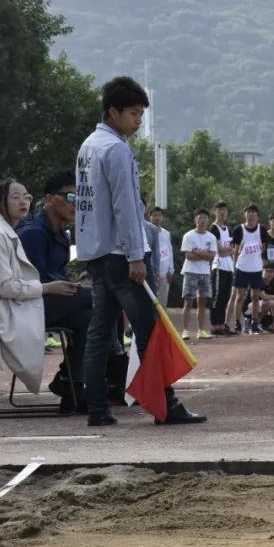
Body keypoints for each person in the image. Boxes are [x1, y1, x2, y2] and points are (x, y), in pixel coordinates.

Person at [75, 76, 206, 426]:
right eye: (134, 114)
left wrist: (90, 254)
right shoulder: (115, 150)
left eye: (141, 114)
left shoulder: (88, 146)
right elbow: (126, 208)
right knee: (151, 330)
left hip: (100, 255)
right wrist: (136, 254)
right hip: (122, 255)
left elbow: (86, 208)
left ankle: (97, 408)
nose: (138, 121)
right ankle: (167, 404)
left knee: (100, 332)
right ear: (113, 112)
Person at [0, 179, 79, 396]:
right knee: (95, 303)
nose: (23, 202)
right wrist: (47, 288)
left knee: (88, 314)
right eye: (15, 197)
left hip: (21, 304)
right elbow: (6, 288)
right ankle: (77, 385)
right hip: (9, 312)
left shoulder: (8, 231)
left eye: (26, 197)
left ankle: (73, 384)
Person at [18, 170, 94, 412]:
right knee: (102, 298)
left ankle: (71, 384)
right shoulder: (33, 233)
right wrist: (76, 289)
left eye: (80, 199)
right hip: (26, 307)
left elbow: (57, 277)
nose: (76, 205)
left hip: (48, 303)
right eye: (70, 197)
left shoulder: (61, 233)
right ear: (49, 199)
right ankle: (77, 383)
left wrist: (74, 283)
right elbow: (31, 282)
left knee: (90, 318)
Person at [228, 203, 272, 334]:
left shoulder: (262, 230)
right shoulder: (239, 229)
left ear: (257, 216)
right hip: (242, 267)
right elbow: (235, 250)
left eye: (254, 212)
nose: (251, 214)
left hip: (256, 268)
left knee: (255, 296)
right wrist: (234, 266)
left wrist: (261, 261)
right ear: (245, 214)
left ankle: (254, 322)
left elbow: (264, 247)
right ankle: (237, 323)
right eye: (249, 212)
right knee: (239, 296)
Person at [180, 208, 216, 340]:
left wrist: (198, 253)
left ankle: (201, 330)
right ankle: (185, 330)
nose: (202, 220)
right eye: (199, 217)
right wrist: (204, 255)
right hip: (190, 272)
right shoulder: (188, 236)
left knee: (203, 302)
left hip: (205, 273)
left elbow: (212, 256)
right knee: (188, 301)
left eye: (205, 218)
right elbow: (188, 255)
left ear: (208, 220)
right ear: (195, 219)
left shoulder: (211, 237)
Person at [208, 200, 235, 336]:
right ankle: (215, 325)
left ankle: (222, 324)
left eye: (224, 209)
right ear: (215, 211)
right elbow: (220, 249)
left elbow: (232, 248)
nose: (222, 212)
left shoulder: (228, 229)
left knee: (225, 296)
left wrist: (229, 250)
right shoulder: (214, 229)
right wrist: (229, 250)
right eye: (219, 209)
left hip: (229, 266)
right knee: (217, 296)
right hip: (218, 265)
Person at [148, 206, 174, 307]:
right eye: (154, 215)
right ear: (149, 217)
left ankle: (161, 323)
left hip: (165, 273)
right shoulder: (146, 232)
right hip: (151, 273)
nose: (157, 218)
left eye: (159, 215)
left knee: (162, 304)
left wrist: (171, 270)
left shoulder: (166, 233)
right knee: (150, 303)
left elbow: (170, 251)